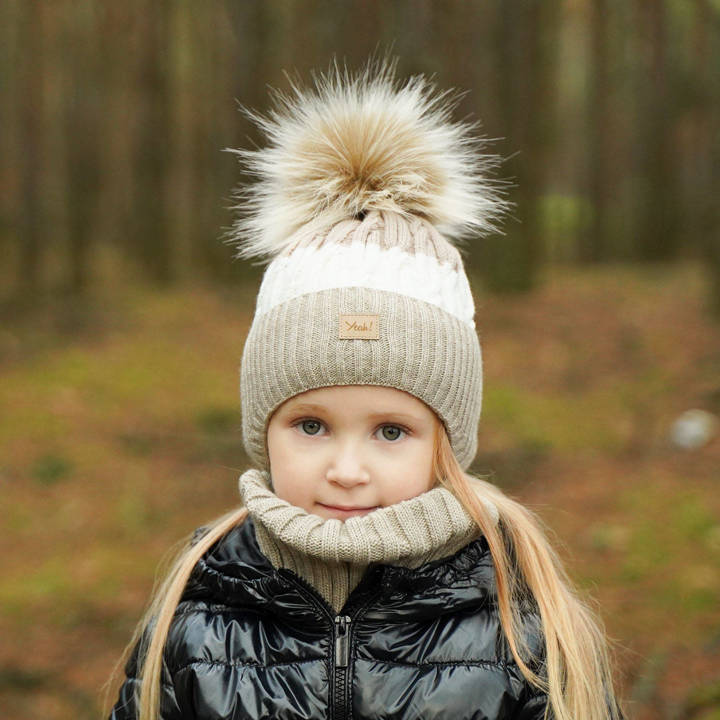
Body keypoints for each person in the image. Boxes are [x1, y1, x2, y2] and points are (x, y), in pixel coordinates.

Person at [107, 57, 623, 720]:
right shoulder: (197, 612)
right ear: (261, 429)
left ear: (447, 439)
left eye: (390, 431)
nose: (346, 471)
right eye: (312, 426)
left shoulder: (526, 629)